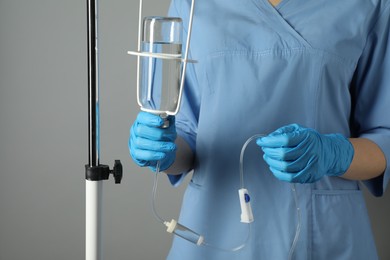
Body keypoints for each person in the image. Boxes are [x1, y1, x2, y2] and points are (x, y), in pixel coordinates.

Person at [129, 0, 390, 258]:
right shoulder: (192, 4)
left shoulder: (367, 5)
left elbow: (385, 139)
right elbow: (188, 135)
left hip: (321, 232)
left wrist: (333, 154)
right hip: (215, 228)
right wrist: (164, 149)